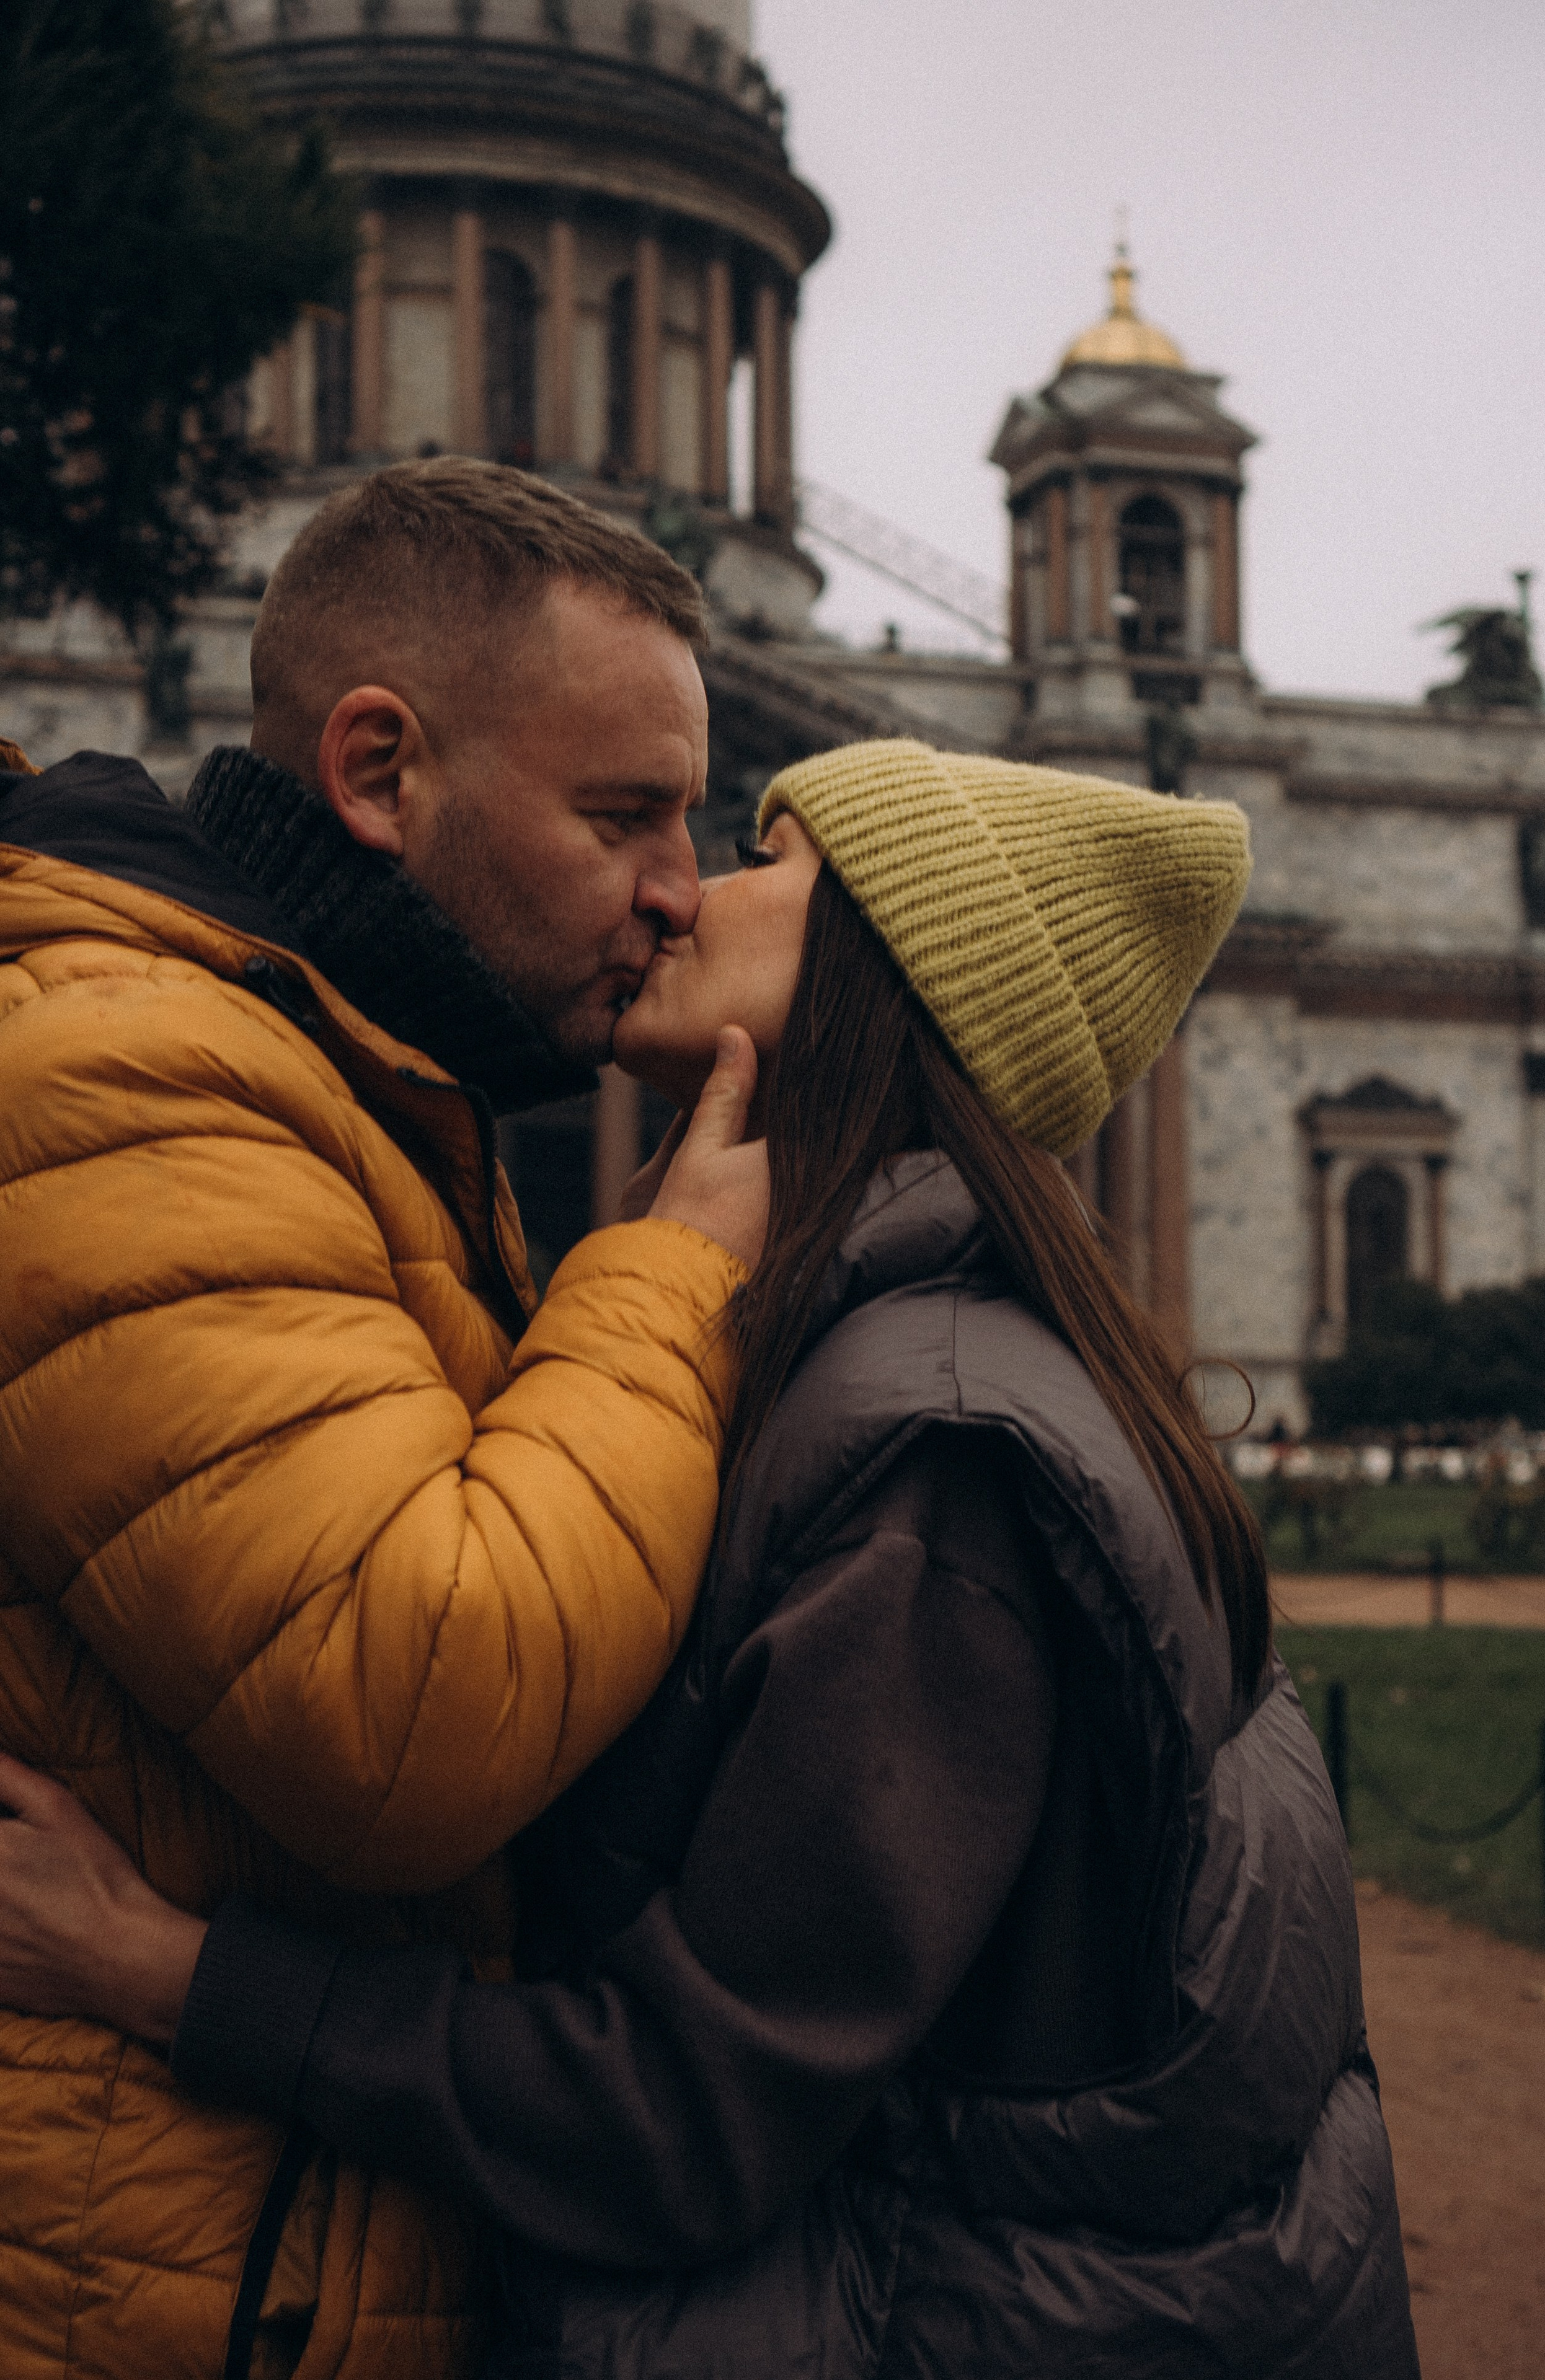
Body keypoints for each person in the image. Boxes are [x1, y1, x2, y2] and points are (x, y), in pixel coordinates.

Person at [0, 739, 1420, 2377]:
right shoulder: (849, 1362)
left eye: (769, 860)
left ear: (890, 973)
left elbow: (680, 2112)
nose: (685, 889)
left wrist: (169, 1969)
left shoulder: (927, 1460)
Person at [0, 461, 771, 2380]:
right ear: (379, 772)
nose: (682, 895)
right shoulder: (132, 1066)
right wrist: (667, 1274)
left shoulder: (360, 1072)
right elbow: (408, 1698)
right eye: (625, 818)